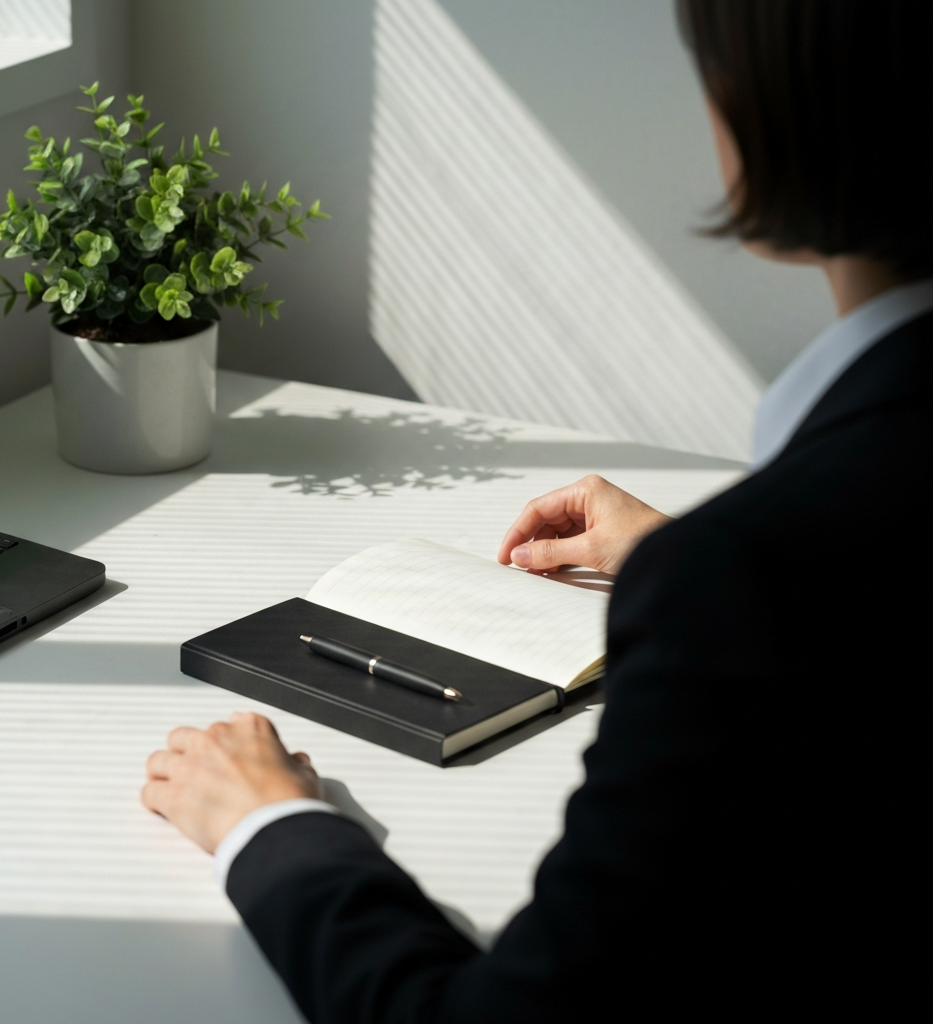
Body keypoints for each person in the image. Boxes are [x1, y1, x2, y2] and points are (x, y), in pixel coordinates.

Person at [140, 1, 930, 1018]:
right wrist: (702, 560)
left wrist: (269, 827)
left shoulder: (745, 582)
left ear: (775, 105)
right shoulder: (775, 561)